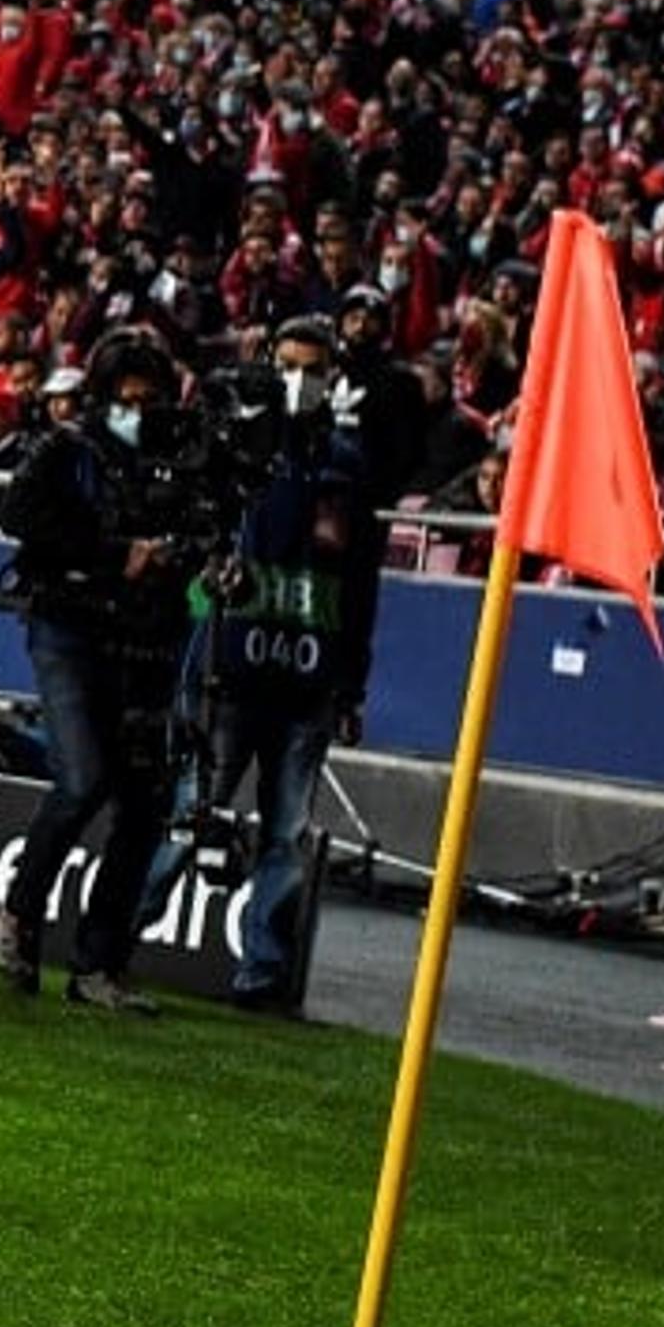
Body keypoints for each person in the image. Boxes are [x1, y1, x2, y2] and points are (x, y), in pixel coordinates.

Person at [0, 328, 199, 1017]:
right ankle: (19, 912)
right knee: (82, 780)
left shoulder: (178, 458)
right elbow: (16, 515)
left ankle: (99, 962)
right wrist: (115, 553)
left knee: (144, 802)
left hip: (144, 638)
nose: (139, 410)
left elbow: (200, 529)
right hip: (68, 627)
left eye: (150, 398)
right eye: (126, 399)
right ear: (102, 398)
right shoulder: (66, 448)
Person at [196, 312, 393, 1017]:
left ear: (333, 375)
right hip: (232, 670)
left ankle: (264, 971)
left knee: (285, 832)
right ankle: (116, 936)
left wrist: (352, 684)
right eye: (288, 364)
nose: (299, 380)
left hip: (309, 680)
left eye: (312, 367)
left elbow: (364, 583)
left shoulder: (349, 465)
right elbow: (203, 551)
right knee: (193, 809)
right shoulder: (238, 451)